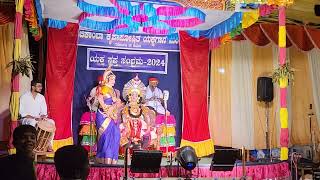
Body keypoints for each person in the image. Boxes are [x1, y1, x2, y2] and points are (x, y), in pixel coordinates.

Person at [19, 80, 56, 151]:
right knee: (33, 122)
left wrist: (42, 117)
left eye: (41, 86)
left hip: (38, 118)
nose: (41, 88)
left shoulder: (41, 97)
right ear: (33, 87)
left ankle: (49, 144)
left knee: (52, 122)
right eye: (39, 86)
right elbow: (22, 113)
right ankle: (33, 145)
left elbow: (43, 112)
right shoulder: (24, 97)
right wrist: (35, 118)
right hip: (26, 119)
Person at [95, 66, 121, 164]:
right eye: (112, 79)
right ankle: (104, 158)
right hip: (103, 116)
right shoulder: (102, 89)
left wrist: (115, 107)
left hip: (113, 117)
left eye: (115, 79)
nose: (114, 81)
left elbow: (118, 103)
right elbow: (101, 102)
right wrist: (108, 110)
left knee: (115, 135)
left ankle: (112, 160)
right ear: (107, 79)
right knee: (106, 136)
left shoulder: (115, 91)